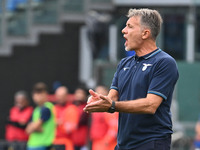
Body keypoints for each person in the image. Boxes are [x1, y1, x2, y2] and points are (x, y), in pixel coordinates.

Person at [84, 8, 179, 150]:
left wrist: (112, 105)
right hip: (123, 144)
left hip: (151, 143)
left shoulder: (164, 62)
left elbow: (150, 105)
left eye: (129, 26)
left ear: (145, 33)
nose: (123, 30)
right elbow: (112, 98)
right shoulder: (124, 63)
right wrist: (100, 100)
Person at [26, 82, 56, 150]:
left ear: (45, 94)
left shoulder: (47, 108)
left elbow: (34, 127)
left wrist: (35, 127)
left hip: (43, 145)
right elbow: (27, 130)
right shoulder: (36, 110)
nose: (38, 96)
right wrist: (37, 128)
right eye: (36, 94)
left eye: (40, 94)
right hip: (32, 144)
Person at [90, 85, 118, 150]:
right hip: (96, 142)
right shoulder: (97, 108)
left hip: (106, 144)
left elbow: (114, 127)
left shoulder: (108, 109)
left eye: (101, 93)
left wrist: (107, 140)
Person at [53, 86, 79, 150]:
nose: (60, 98)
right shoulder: (53, 108)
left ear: (67, 96)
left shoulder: (72, 108)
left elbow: (71, 128)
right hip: (53, 142)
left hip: (66, 143)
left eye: (62, 96)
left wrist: (59, 123)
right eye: (58, 96)